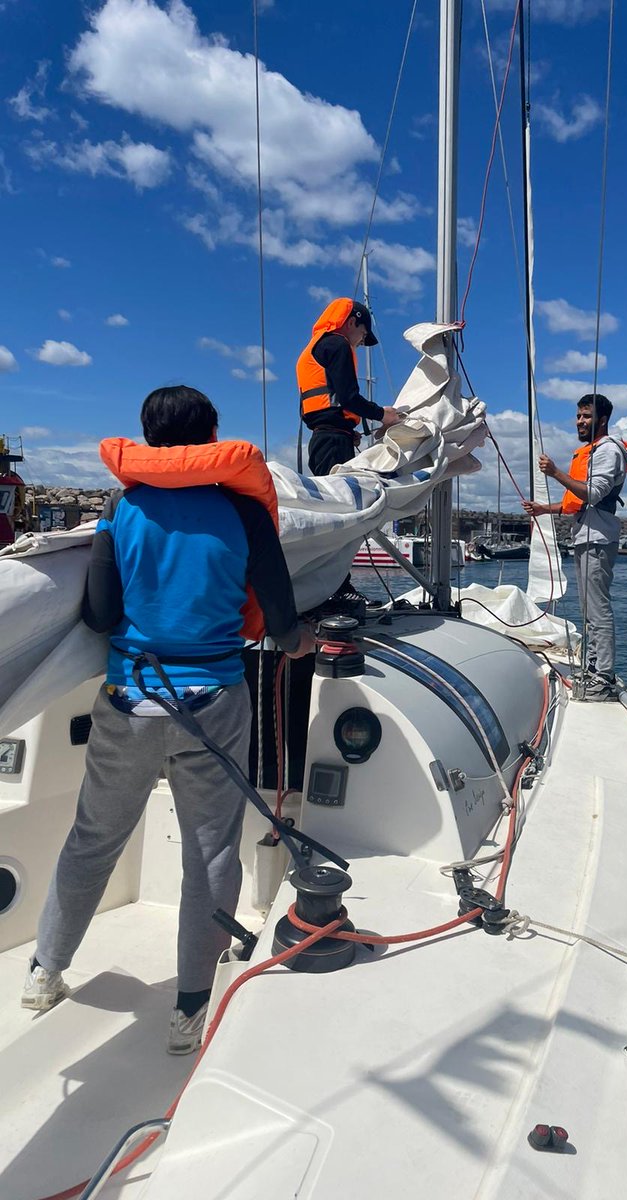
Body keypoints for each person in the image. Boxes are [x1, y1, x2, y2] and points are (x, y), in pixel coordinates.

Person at [21, 386, 314, 1054]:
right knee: (210, 851)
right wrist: (301, 642)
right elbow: (280, 616)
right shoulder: (244, 512)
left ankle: (45, 971)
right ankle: (189, 1009)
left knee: (94, 838)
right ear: (211, 439)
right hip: (213, 700)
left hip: (129, 699)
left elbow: (98, 612)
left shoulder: (121, 507)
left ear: (148, 441)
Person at [523, 393, 627, 702]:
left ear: (602, 420)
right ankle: (595, 667)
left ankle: (604, 676)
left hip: (597, 538)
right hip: (586, 535)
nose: (580, 422)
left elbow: (594, 494)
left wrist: (555, 473)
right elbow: (577, 501)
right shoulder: (591, 453)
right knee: (589, 610)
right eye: (579, 416)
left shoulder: (607, 452)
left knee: (597, 610)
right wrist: (545, 509)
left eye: (586, 416)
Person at [296, 297, 402, 606]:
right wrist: (383, 415)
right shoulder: (337, 344)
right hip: (332, 441)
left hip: (326, 437)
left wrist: (346, 429)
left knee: (334, 512)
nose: (359, 343)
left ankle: (334, 587)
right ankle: (339, 590)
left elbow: (325, 404)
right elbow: (348, 396)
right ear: (353, 321)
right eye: (362, 336)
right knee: (340, 515)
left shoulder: (315, 347)